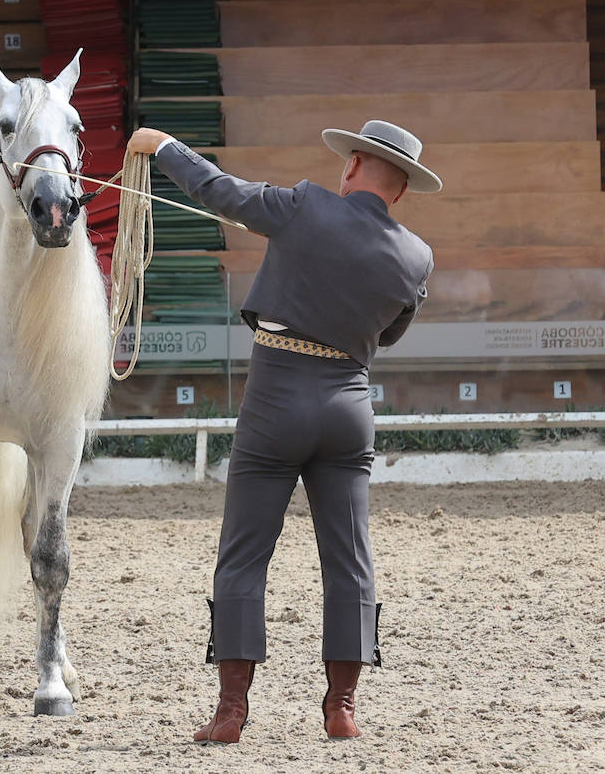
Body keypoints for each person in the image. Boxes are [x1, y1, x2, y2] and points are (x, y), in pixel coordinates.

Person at [126, 120, 440, 744]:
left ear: (351, 167)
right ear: (401, 192)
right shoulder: (417, 257)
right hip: (349, 404)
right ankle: (342, 708)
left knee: (244, 554)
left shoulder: (304, 204)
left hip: (276, 396)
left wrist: (163, 147)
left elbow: (220, 191)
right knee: (350, 561)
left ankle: (231, 712)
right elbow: (391, 334)